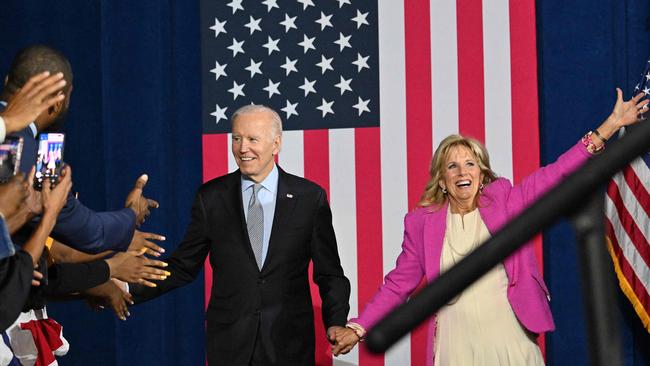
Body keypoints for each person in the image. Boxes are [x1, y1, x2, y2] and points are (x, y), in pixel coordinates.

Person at [331, 89, 650, 366]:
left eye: (470, 163)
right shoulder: (421, 224)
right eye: (452, 166)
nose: (461, 171)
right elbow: (398, 285)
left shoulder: (507, 201)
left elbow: (557, 174)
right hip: (456, 346)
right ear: (442, 181)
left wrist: (610, 127)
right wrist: (359, 328)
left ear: (482, 174)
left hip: (509, 338)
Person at [130, 105, 351, 365]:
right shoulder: (211, 197)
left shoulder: (309, 198)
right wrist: (124, 287)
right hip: (230, 345)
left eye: (252, 139)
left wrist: (336, 322)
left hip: (289, 344)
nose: (242, 148)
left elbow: (329, 273)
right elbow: (183, 267)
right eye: (236, 138)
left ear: (276, 144)